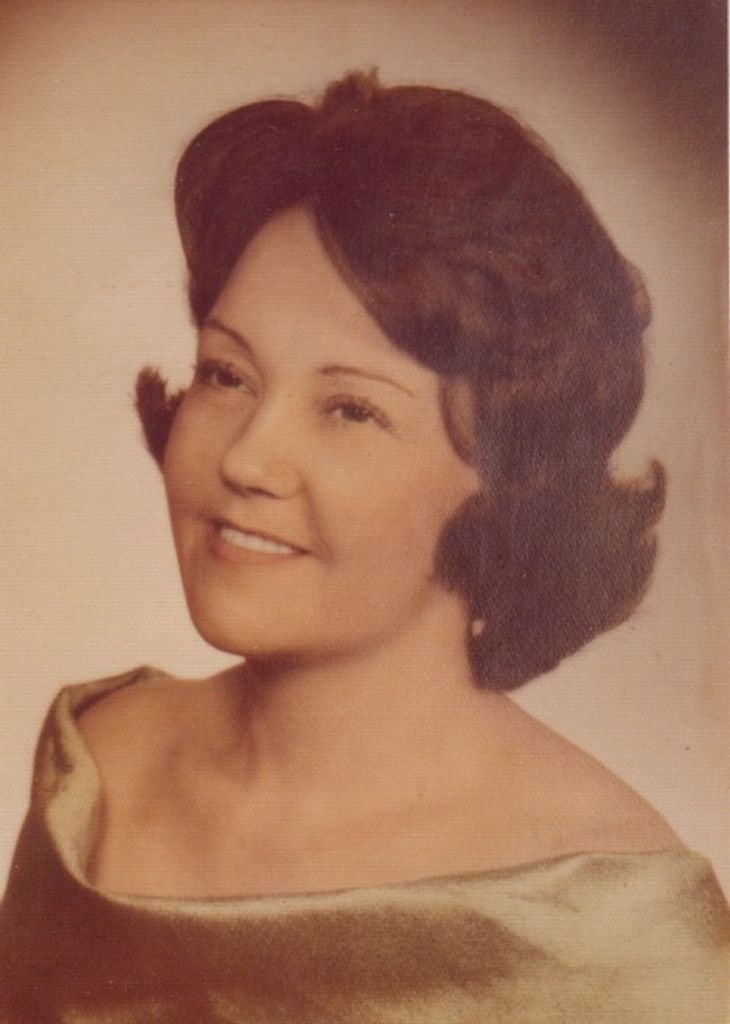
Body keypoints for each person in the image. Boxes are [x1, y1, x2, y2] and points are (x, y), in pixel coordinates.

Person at [1, 71, 727, 1022]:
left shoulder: (614, 934)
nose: (247, 458)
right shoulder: (96, 770)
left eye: (350, 409)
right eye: (226, 374)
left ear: (512, 486)